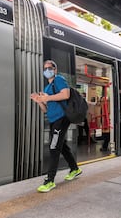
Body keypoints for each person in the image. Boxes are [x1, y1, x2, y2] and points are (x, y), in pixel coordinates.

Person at [30, 60, 82, 193]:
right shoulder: (47, 88)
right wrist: (39, 101)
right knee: (61, 146)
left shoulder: (59, 79)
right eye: (45, 68)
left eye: (50, 68)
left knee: (54, 147)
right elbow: (46, 110)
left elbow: (66, 94)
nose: (47, 70)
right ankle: (75, 169)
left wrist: (48, 98)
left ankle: (50, 181)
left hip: (61, 118)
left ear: (55, 70)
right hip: (54, 120)